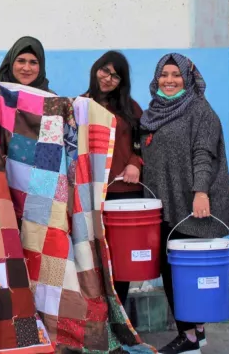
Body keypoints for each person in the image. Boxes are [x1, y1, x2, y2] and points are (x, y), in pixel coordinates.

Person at [139, 53, 229, 354]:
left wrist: (201, 192)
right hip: (167, 201)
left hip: (193, 203)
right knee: (175, 269)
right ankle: (196, 333)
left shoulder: (199, 111)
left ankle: (189, 338)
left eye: (176, 74)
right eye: (164, 74)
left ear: (188, 77)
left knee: (180, 273)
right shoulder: (153, 112)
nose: (169, 80)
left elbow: (203, 154)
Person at [82, 51, 143, 306]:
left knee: (120, 259)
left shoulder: (131, 108)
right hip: (89, 194)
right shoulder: (79, 104)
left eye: (116, 76)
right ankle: (98, 319)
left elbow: (143, 143)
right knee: (91, 257)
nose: (108, 78)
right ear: (96, 69)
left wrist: (134, 163)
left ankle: (120, 319)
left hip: (123, 192)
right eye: (104, 71)